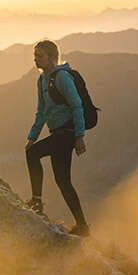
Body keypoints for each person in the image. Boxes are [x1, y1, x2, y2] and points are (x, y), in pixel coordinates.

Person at [25, 40, 90, 236]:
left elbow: (77, 105)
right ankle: (82, 226)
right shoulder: (42, 80)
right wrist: (32, 136)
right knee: (62, 180)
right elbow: (42, 111)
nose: (36, 60)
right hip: (57, 133)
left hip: (67, 133)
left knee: (33, 155)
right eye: (35, 56)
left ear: (52, 57)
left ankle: (36, 201)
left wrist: (79, 136)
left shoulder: (62, 77)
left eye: (40, 56)